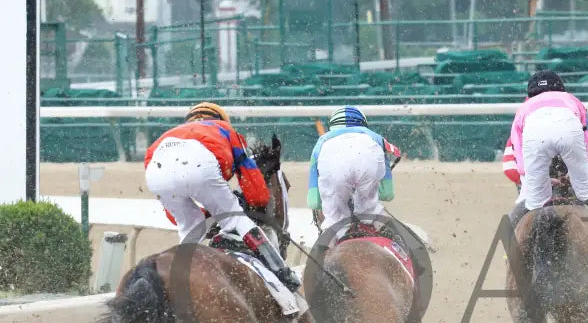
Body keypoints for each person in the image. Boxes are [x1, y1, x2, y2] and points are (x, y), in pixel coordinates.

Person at [144, 101, 301, 291]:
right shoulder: (225, 129)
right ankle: (281, 271)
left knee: (190, 227)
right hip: (200, 167)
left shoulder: (166, 135)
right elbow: (248, 173)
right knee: (237, 220)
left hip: (156, 174)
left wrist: (206, 216)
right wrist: (257, 202)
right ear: (220, 119)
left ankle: (177, 278)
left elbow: (171, 205)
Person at [504, 70, 588, 228]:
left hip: (535, 139)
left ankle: (510, 248)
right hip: (569, 134)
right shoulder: (574, 101)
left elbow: (519, 160)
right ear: (561, 89)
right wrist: (576, 176)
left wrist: (538, 179)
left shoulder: (523, 109)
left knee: (530, 201)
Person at [308, 106, 405, 244]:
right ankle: (407, 252)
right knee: (373, 215)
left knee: (332, 223)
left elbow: (314, 202)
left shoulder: (321, 144)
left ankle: (321, 256)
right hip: (369, 186)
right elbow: (387, 195)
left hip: (336, 208)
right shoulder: (376, 139)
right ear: (363, 124)